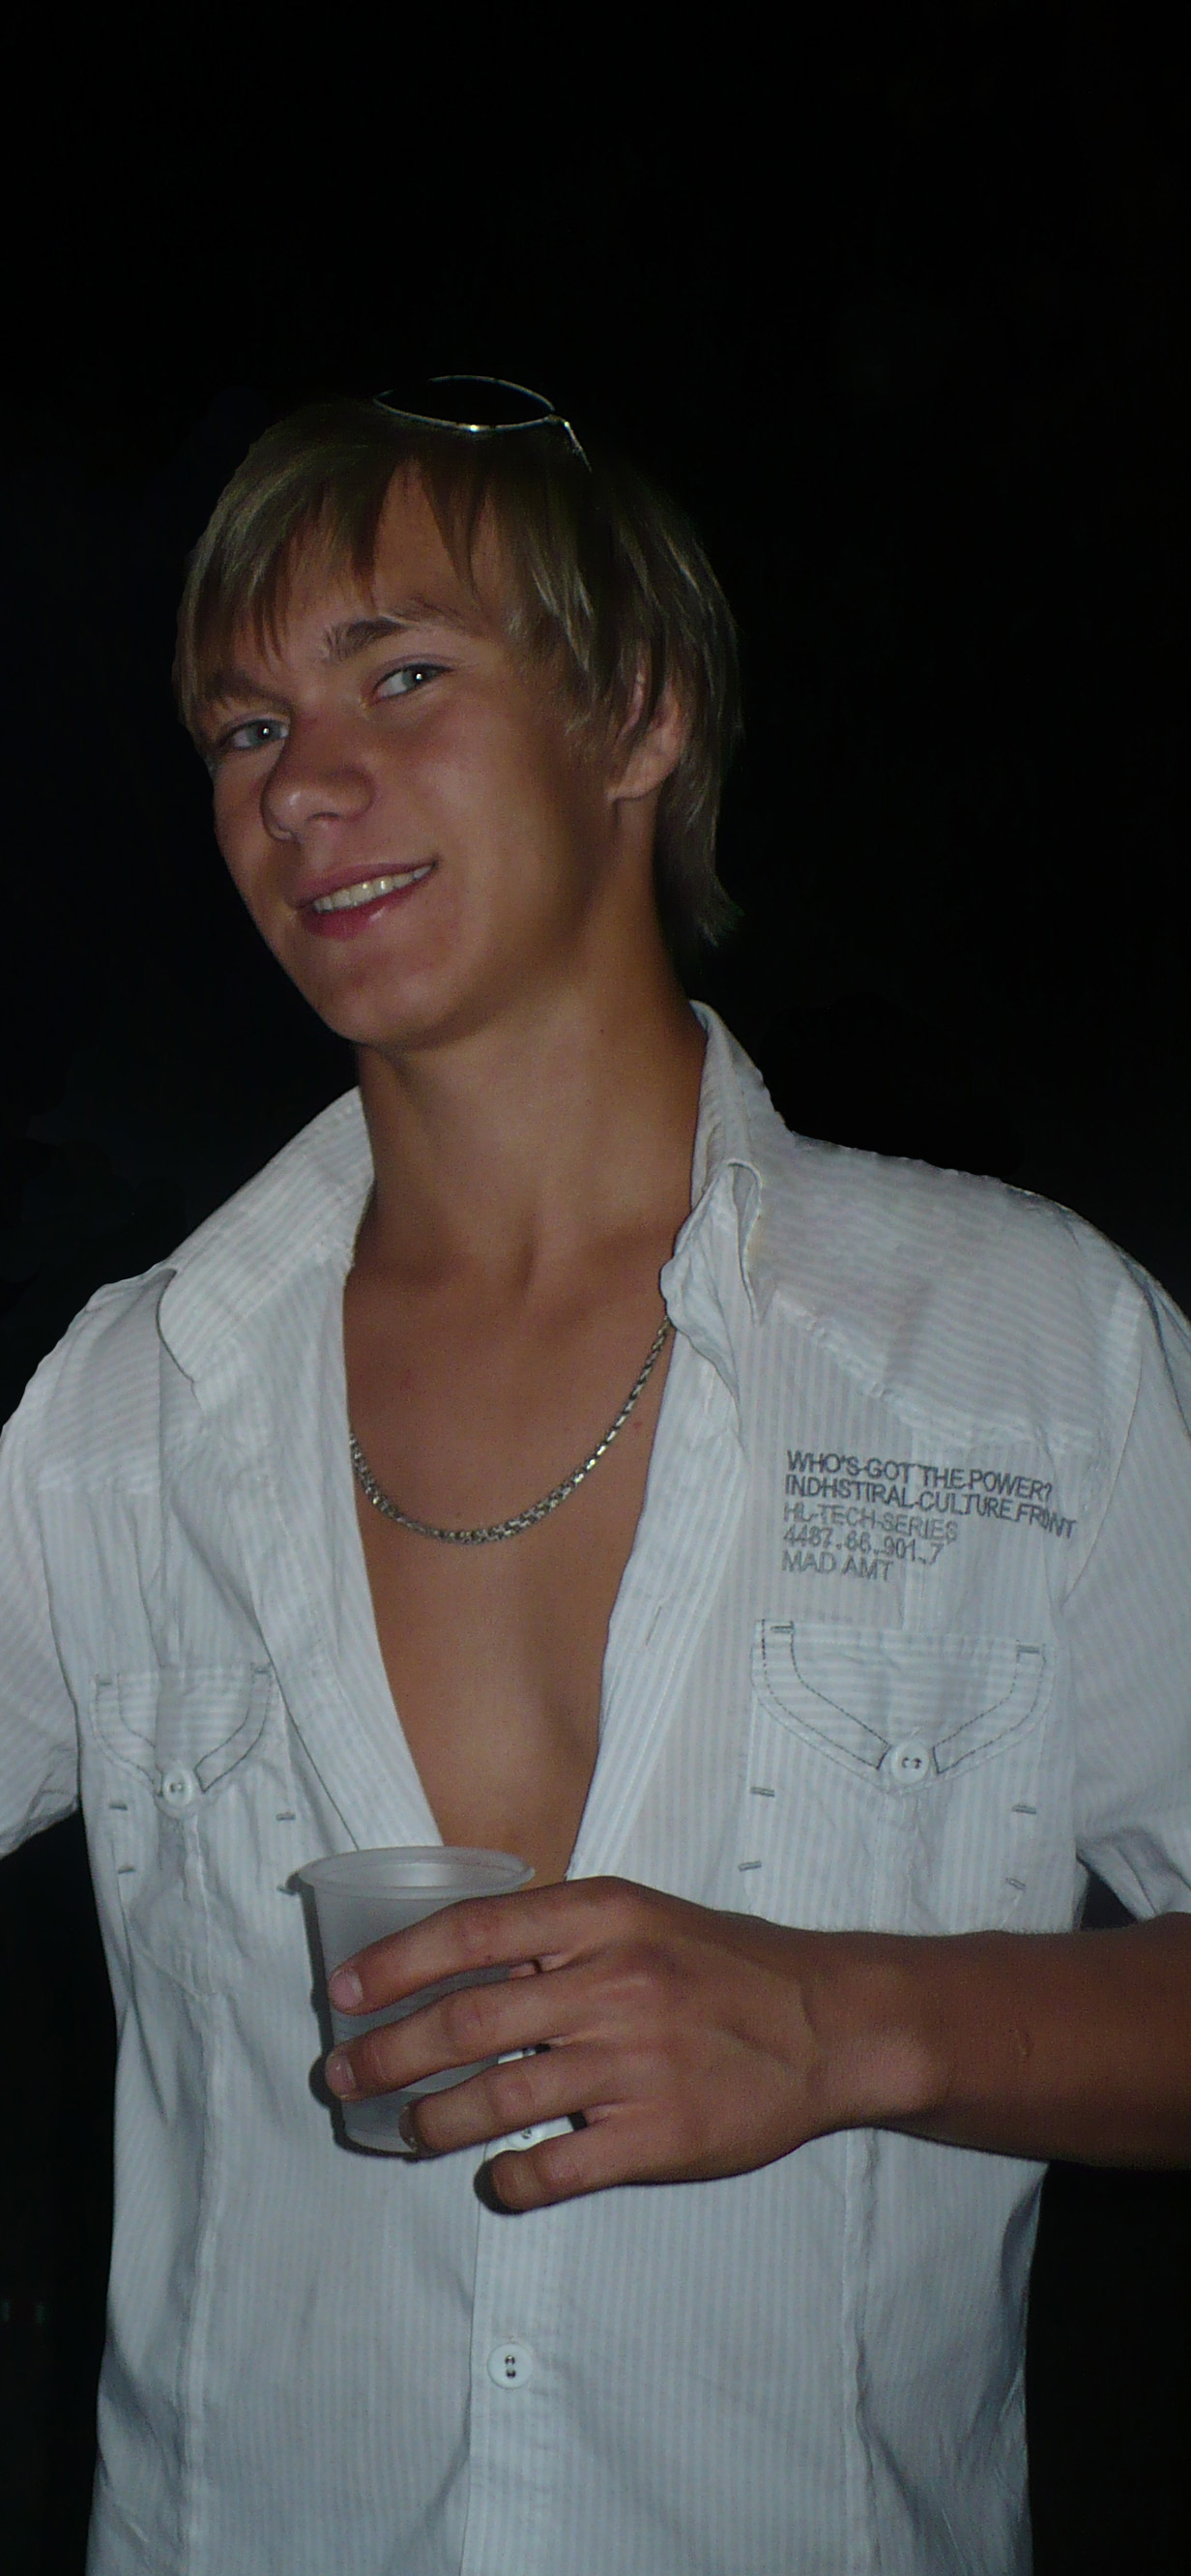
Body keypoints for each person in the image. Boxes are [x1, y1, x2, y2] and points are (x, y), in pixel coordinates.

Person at [2, 376, 1189, 2576]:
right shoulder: (129, 1406)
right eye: (245, 728)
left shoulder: (1028, 1355)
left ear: (638, 713)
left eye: (400, 675)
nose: (301, 783)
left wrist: (845, 2023)